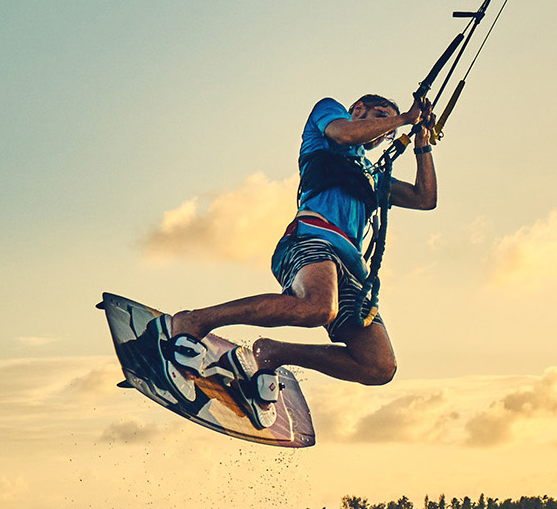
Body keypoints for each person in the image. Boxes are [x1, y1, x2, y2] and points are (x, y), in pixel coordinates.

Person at [155, 94, 436, 425]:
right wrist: (403, 118)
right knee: (317, 307)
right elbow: (344, 134)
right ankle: (194, 322)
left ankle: (274, 353)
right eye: (376, 115)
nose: (380, 128)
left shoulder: (373, 175)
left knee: (378, 365)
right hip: (312, 238)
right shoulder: (330, 117)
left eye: (385, 126)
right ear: (357, 110)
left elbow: (424, 198)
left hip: (352, 269)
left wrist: (422, 142)